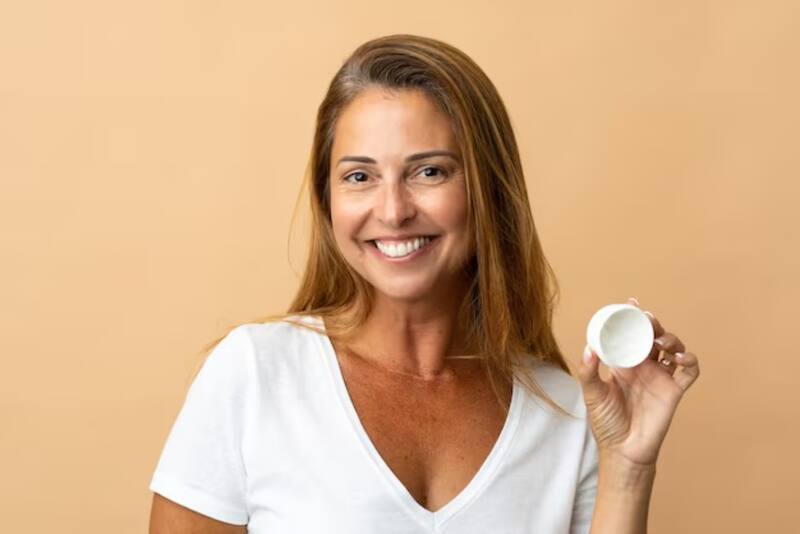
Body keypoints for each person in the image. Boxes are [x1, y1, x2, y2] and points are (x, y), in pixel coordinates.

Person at [148, 34, 700, 533]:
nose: (392, 211)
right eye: (359, 177)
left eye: (429, 171)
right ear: (328, 200)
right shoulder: (256, 374)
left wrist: (628, 466)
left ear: (489, 190)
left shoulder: (570, 412)